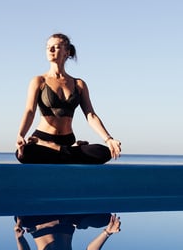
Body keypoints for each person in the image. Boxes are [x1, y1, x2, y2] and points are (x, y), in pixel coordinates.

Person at [16, 33, 121, 164]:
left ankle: (63, 149)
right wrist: (21, 134)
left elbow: (91, 115)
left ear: (67, 52)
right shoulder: (39, 81)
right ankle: (69, 151)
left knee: (104, 152)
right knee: (24, 154)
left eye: (56, 47)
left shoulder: (79, 84)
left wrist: (108, 139)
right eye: (48, 47)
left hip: (67, 139)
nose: (50, 50)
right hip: (42, 138)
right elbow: (30, 111)